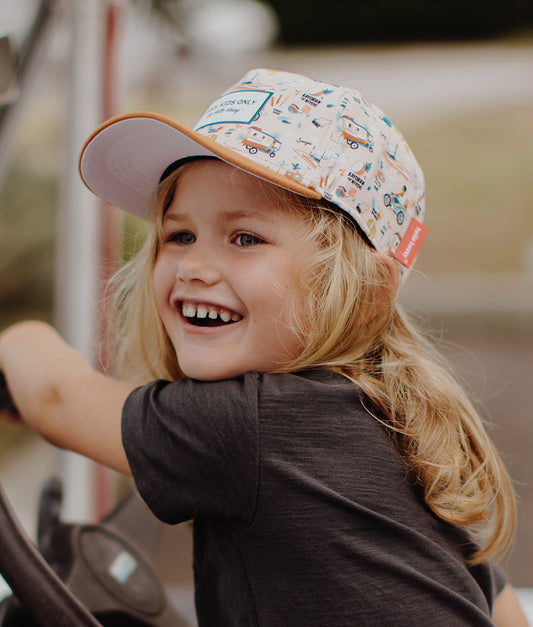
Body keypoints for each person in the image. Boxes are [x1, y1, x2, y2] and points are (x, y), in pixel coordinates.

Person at [0, 68, 528, 626]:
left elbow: (57, 397)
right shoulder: (391, 416)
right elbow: (493, 596)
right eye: (179, 235)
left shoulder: (251, 426)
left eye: (245, 238)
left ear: (361, 290)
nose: (196, 267)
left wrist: (15, 340)